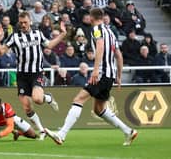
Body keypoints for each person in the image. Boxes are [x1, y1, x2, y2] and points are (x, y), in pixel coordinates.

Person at [45, 8, 138, 146]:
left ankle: (62, 134)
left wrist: (95, 70)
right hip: (110, 74)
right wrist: (118, 76)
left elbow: (100, 47)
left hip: (101, 73)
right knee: (99, 109)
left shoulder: (96, 29)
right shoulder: (111, 32)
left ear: (91, 17)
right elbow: (118, 55)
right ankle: (128, 131)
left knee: (78, 99)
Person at [0, 11, 66, 140]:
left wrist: (62, 34)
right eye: (21, 23)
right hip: (22, 75)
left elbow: (49, 45)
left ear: (30, 22)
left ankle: (47, 97)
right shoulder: (14, 37)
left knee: (38, 99)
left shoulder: (37, 34)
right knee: (27, 107)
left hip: (36, 72)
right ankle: (41, 130)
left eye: (25, 22)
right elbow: (0, 53)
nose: (23, 25)